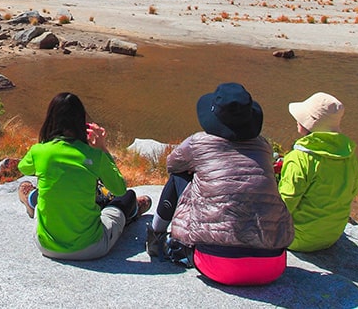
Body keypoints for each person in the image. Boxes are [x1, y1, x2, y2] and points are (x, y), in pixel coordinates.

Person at [146, 82, 294, 286]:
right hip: (272, 266)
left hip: (216, 265)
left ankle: (155, 237)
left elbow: (172, 165)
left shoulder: (199, 142)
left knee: (178, 177)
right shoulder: (263, 146)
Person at [17, 93, 151, 261]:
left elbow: (23, 167)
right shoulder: (94, 155)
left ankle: (31, 200)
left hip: (46, 246)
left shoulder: (39, 151)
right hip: (91, 247)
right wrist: (102, 148)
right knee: (127, 197)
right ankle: (133, 213)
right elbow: (119, 189)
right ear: (82, 122)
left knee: (46, 195)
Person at [278, 92, 358, 252]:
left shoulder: (300, 158)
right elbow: (353, 191)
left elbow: (285, 204)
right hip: (332, 234)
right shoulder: (349, 155)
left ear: (307, 124)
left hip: (298, 238)